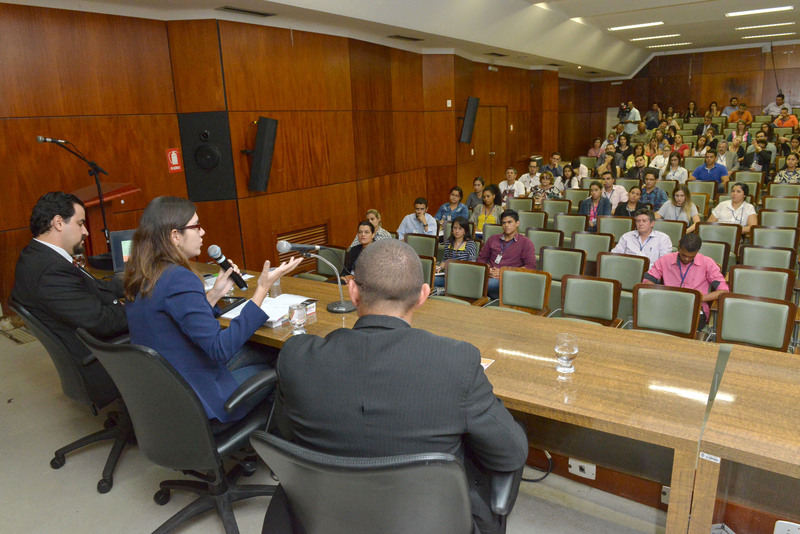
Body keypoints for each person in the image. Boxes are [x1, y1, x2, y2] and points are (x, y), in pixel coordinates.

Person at [274, 239, 529, 534]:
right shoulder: (457, 363)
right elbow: (510, 453)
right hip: (429, 521)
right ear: (423, 295)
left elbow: (287, 436)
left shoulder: (296, 357)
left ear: (353, 291)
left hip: (322, 517)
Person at [123, 196, 303, 423]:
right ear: (175, 236)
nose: (203, 232)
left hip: (167, 392)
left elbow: (175, 320)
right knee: (282, 363)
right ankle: (276, 436)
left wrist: (216, 293)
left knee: (260, 351)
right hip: (199, 401)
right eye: (196, 226)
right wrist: (262, 289)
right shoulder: (179, 278)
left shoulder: (144, 274)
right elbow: (220, 349)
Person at [12, 191, 129, 403]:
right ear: (58, 222)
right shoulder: (50, 271)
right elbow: (100, 322)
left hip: (90, 348)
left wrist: (131, 283)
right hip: (102, 363)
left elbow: (89, 288)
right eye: (80, 223)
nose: (86, 232)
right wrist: (138, 307)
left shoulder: (36, 256)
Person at [643, 233, 728, 330]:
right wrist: (662, 296)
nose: (687, 259)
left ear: (697, 251)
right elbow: (647, 281)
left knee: (682, 325)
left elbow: (723, 291)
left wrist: (698, 298)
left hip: (695, 307)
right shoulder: (665, 260)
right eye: (683, 255)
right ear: (679, 246)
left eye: (691, 257)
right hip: (668, 305)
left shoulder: (707, 263)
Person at [477, 209, 537, 300]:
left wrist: (503, 272)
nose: (506, 225)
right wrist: (488, 269)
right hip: (489, 276)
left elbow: (530, 267)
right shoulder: (493, 239)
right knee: (469, 279)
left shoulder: (526, 243)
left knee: (481, 284)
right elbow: (481, 259)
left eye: (510, 222)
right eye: (504, 223)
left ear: (517, 223)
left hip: (509, 280)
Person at [435, 216, 478, 289]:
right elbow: (445, 259)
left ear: (465, 231)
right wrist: (440, 267)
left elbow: (472, 265)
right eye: (455, 228)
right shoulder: (449, 242)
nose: (457, 231)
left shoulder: (470, 244)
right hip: (448, 275)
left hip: (462, 276)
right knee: (433, 280)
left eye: (460, 228)